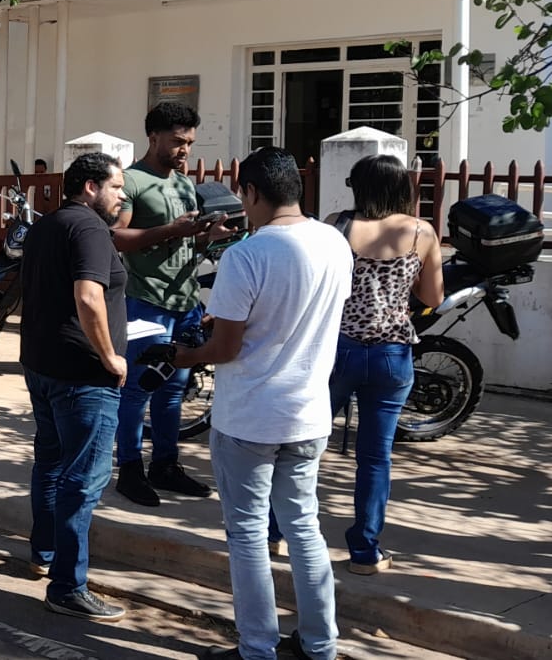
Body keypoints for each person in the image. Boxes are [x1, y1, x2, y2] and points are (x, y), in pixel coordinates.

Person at [162, 147, 351, 660]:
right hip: (309, 415)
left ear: (250, 192)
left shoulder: (247, 254)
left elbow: (225, 349)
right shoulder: (334, 242)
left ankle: (257, 649)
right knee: (305, 529)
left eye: (242, 195)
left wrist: (183, 356)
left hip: (249, 417)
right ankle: (320, 645)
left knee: (247, 534)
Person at [18, 151, 129, 622]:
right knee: (83, 480)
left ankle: (43, 553)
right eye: (116, 187)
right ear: (90, 186)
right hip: (83, 376)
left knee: (50, 462)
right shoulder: (89, 229)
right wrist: (110, 356)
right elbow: (88, 295)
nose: (122, 196)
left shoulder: (47, 225)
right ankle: (68, 586)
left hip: (43, 366)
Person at [327, 154, 445, 575]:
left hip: (338, 350)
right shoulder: (421, 232)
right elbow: (432, 298)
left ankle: (274, 532)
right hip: (392, 355)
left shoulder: (337, 225)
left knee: (302, 444)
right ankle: (364, 551)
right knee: (375, 457)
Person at [110, 101, 220, 506]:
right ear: (153, 137)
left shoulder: (185, 185)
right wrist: (171, 230)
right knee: (138, 390)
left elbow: (184, 242)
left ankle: (165, 465)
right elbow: (116, 237)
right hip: (146, 302)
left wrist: (206, 235)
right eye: (177, 141)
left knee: (173, 390)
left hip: (185, 301)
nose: (184, 149)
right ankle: (130, 469)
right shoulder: (132, 181)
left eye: (189, 142)